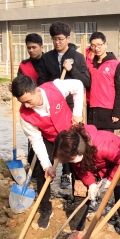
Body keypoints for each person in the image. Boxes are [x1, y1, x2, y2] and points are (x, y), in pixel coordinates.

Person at [11, 75, 84, 229]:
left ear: (37, 91)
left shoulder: (55, 88)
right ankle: (45, 209)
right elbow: (36, 140)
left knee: (78, 168)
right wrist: (46, 166)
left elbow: (78, 84)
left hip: (70, 134)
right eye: (23, 103)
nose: (27, 106)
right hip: (49, 139)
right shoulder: (24, 115)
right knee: (41, 172)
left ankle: (79, 208)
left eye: (28, 101)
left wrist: (77, 112)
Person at [53, 124, 120, 239]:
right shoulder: (72, 151)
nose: (71, 162)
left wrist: (109, 179)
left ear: (80, 149)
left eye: (71, 159)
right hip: (93, 165)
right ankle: (79, 230)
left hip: (119, 164)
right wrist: (91, 183)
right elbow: (80, 169)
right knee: (80, 192)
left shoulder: (102, 146)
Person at [43, 22, 91, 190]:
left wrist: (71, 70)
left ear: (68, 38)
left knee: (71, 139)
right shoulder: (47, 58)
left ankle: (68, 173)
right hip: (52, 105)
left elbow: (86, 82)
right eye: (54, 39)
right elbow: (42, 81)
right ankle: (50, 169)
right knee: (55, 138)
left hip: (71, 105)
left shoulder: (77, 57)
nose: (57, 42)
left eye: (60, 39)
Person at [87, 32, 120, 133]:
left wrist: (116, 112)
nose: (97, 48)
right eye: (93, 45)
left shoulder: (116, 64)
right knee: (93, 140)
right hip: (93, 109)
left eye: (99, 45)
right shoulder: (90, 65)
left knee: (107, 140)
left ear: (106, 44)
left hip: (108, 110)